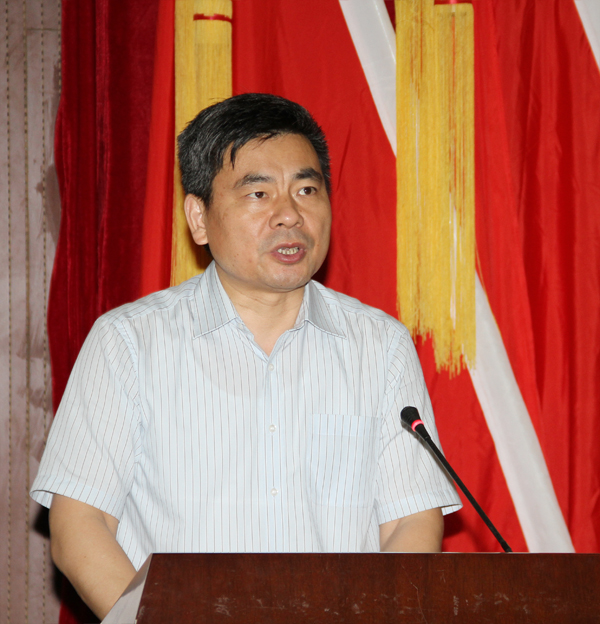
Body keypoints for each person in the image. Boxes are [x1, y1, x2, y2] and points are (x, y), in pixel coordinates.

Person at [31, 93, 461, 619]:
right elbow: (81, 525)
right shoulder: (128, 342)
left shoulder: (381, 345)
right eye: (259, 193)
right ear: (199, 218)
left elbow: (410, 521)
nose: (290, 215)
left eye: (307, 190)